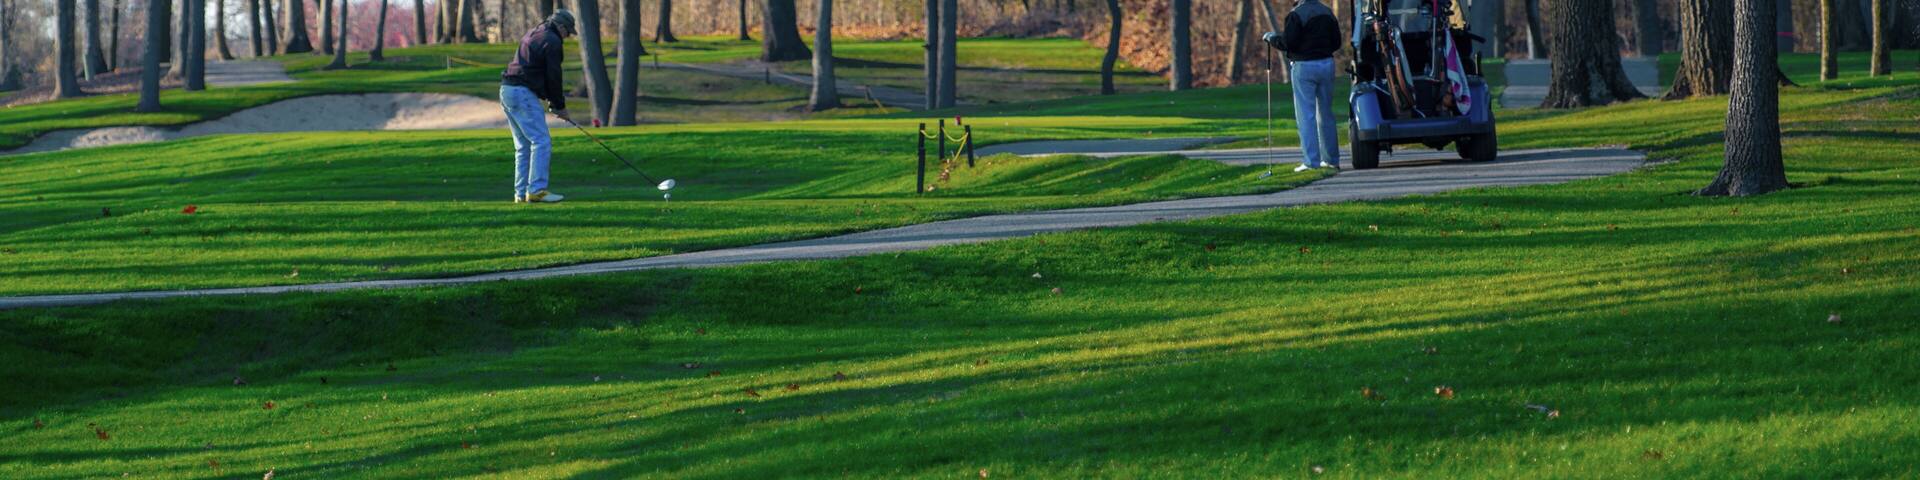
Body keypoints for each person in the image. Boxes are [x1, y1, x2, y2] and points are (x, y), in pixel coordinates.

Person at [501, 10, 577, 203]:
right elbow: (553, 76)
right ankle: (536, 189)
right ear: (561, 27)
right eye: (568, 32)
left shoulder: (535, 32)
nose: (567, 36)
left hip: (507, 90)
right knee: (541, 141)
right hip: (522, 92)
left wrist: (553, 103)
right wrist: (559, 105)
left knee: (523, 146)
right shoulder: (553, 41)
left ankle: (520, 194)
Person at [1263, 0, 1343, 172]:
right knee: (1326, 114)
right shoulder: (1327, 12)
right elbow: (1337, 42)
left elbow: (1288, 43)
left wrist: (1272, 38)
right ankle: (1331, 159)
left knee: (1306, 115)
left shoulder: (1296, 14)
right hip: (1326, 64)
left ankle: (1311, 162)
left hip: (1304, 66)